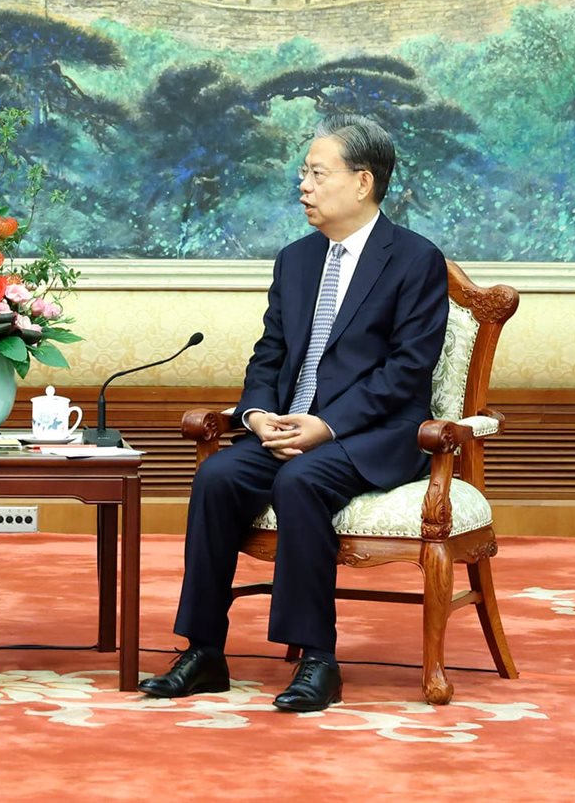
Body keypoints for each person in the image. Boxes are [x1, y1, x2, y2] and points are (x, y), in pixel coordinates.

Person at [139, 114, 448, 712]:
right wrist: (256, 415)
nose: (303, 186)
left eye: (317, 173)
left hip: (370, 434)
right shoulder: (296, 260)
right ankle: (204, 651)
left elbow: (407, 371)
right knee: (218, 475)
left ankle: (318, 660)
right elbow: (270, 353)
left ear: (363, 182)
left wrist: (326, 426)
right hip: (286, 427)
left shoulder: (415, 260)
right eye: (303, 173)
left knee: (300, 479)